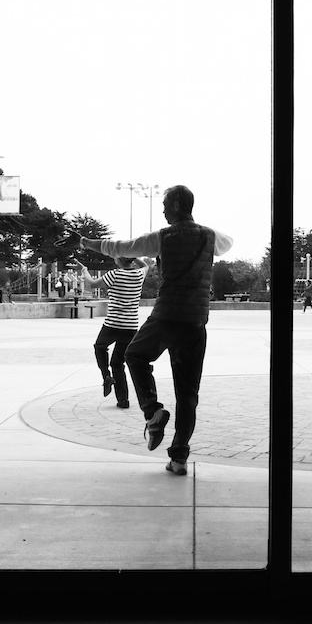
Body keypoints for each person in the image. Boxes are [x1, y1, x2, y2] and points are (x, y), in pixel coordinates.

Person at [60, 185, 233, 476]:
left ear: (177, 204)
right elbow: (227, 242)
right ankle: (179, 458)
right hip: (195, 322)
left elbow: (123, 247)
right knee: (188, 393)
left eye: (165, 204)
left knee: (135, 355)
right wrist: (200, 230)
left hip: (166, 317)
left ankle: (153, 412)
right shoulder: (211, 237)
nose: (163, 209)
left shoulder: (163, 238)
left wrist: (89, 243)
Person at [70, 256, 151, 408]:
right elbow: (145, 265)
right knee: (118, 363)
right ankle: (123, 400)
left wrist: (84, 270)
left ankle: (106, 376)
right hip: (131, 326)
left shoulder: (114, 274)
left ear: (118, 260)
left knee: (100, 347)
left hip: (113, 324)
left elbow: (92, 284)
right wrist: (133, 254)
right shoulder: (139, 274)